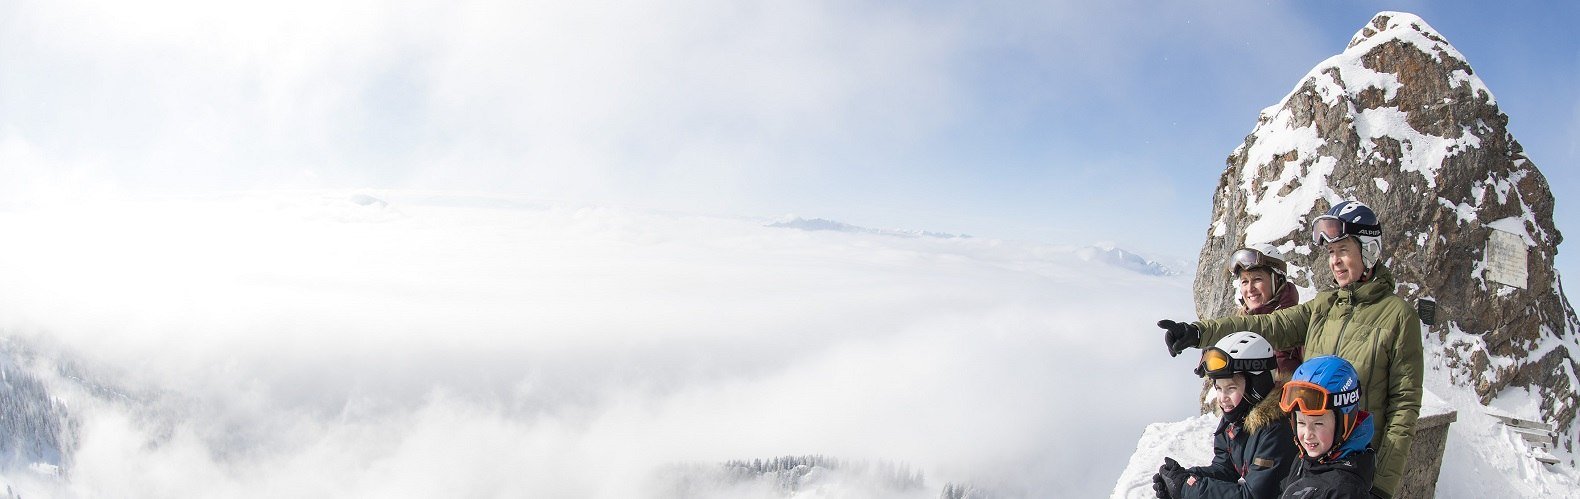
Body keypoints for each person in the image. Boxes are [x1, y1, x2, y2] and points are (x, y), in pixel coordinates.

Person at [1158, 200, 1423, 498]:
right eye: (1331, 252)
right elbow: (1266, 326)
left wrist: (1383, 485)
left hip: (1355, 469)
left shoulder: (1398, 316)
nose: (1335, 261)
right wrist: (1199, 332)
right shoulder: (1325, 305)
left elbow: (1404, 407)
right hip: (1310, 456)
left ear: (1370, 251)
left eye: (1344, 250)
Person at [1152, 332, 1296, 499]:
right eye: (1219, 388)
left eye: (1231, 388)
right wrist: (1184, 477)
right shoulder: (1236, 419)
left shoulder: (1277, 429)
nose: (1222, 398)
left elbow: (1254, 496)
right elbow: (1225, 469)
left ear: (1257, 385)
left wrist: (1187, 488)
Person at [1279, 356, 1376, 498]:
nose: (1307, 435)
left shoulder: (1345, 490)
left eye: (1318, 424)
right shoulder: (1305, 459)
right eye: (1301, 423)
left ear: (1343, 424)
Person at [1229, 244, 1302, 377]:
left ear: (1277, 281)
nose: (1250, 288)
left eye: (1257, 279)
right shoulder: (1237, 325)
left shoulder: (1298, 325)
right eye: (1244, 281)